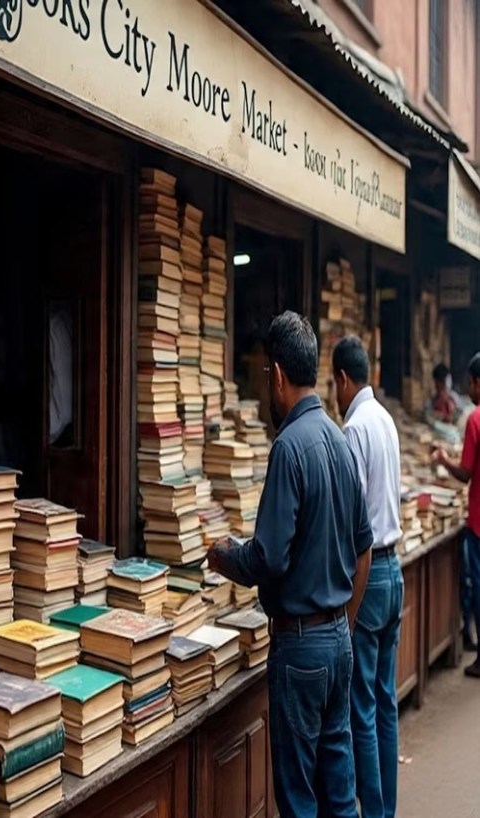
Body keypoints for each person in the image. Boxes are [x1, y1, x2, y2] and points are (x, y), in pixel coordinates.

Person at [207, 311, 373, 818]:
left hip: (300, 647)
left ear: (277, 373)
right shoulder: (341, 441)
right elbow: (364, 544)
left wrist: (223, 555)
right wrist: (344, 622)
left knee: (299, 797)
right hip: (337, 638)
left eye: (264, 376)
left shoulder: (288, 447)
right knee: (338, 789)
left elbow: (269, 557)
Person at [332, 336, 403, 818]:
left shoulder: (355, 427)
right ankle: (387, 809)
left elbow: (353, 522)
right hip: (394, 571)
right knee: (385, 702)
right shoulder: (386, 420)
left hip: (370, 575)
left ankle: (374, 813)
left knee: (363, 711)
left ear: (341, 379)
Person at [433, 352, 480, 678]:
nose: (469, 388)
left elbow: (465, 472)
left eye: (471, 383)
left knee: (477, 587)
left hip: (478, 521)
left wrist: (443, 459)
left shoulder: (475, 419)